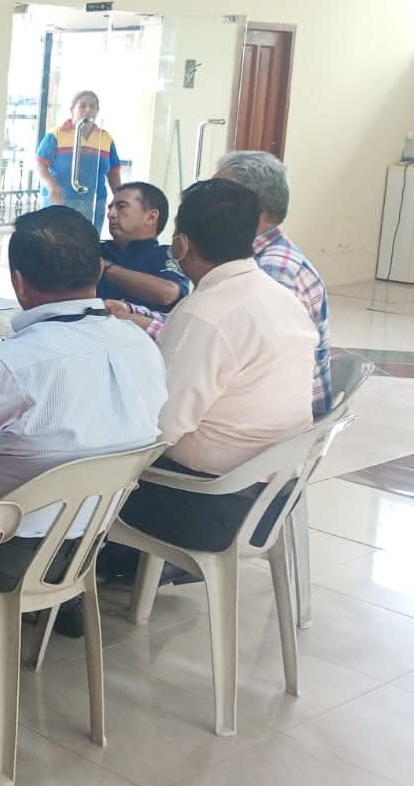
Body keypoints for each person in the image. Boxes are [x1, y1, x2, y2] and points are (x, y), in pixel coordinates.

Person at [0, 206, 165, 593]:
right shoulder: (140, 344)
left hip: (0, 552)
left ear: (19, 282)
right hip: (92, 541)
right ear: (99, 270)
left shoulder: (8, 367)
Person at [115, 179, 318, 551]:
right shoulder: (282, 299)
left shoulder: (205, 314)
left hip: (210, 506)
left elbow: (161, 426)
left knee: (80, 475)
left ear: (181, 244)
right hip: (276, 497)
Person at [215, 150, 332, 417]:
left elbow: (239, 349)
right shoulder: (257, 253)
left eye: (217, 196)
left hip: (280, 421)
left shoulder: (272, 268)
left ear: (253, 207)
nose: (207, 206)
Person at [35, 91, 123, 232]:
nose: (88, 110)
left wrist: (120, 197)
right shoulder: (56, 134)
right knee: (56, 240)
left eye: (92, 106)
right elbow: (40, 165)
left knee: (88, 240)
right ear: (72, 110)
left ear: (97, 111)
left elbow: (113, 172)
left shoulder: (105, 138)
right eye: (82, 106)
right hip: (61, 201)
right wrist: (52, 185)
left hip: (94, 202)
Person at [98, 181, 189, 311]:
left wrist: (106, 268)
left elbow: (168, 293)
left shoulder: (168, 254)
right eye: (110, 208)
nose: (110, 214)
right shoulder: (95, 250)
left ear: (151, 217)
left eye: (121, 206)